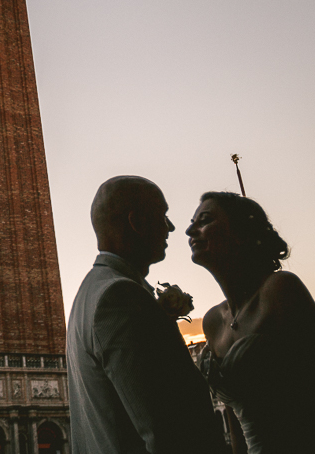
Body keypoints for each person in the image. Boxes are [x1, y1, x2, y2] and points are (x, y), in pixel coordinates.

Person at [187, 192, 315, 454]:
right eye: (193, 222)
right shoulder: (212, 322)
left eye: (205, 220)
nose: (191, 229)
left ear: (240, 233)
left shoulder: (281, 291)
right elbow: (237, 419)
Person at [67, 176, 227, 454]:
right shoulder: (119, 297)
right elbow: (169, 431)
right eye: (162, 216)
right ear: (137, 223)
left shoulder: (91, 291)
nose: (173, 227)